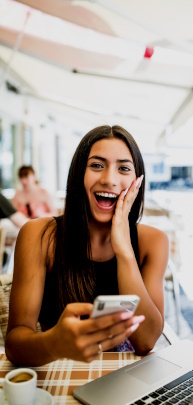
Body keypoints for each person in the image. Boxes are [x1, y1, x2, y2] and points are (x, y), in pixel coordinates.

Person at [6, 125, 169, 367]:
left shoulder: (153, 242)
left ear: (137, 181)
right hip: (59, 372)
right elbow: (15, 344)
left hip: (125, 379)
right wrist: (54, 342)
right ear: (78, 174)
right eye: (96, 165)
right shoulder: (38, 235)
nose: (109, 179)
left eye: (123, 168)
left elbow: (146, 342)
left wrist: (124, 249)